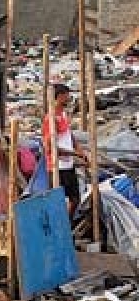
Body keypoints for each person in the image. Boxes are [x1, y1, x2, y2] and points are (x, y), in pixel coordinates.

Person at [44, 83, 87, 217]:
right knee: (58, 202)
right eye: (66, 96)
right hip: (57, 167)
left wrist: (79, 149)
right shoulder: (50, 119)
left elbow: (69, 134)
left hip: (67, 164)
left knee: (75, 199)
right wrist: (76, 153)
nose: (68, 98)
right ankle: (61, 227)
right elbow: (50, 148)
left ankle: (67, 226)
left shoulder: (62, 114)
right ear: (59, 97)